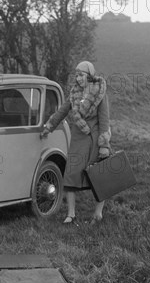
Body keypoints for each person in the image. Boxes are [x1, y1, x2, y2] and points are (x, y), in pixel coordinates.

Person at [41, 61, 112, 225]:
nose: (78, 78)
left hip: (94, 141)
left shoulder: (100, 93)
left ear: (90, 75)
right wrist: (49, 126)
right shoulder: (74, 94)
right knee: (71, 175)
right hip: (78, 140)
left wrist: (104, 145)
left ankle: (98, 214)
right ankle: (71, 214)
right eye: (77, 75)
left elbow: (104, 120)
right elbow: (62, 111)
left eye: (81, 75)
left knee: (100, 176)